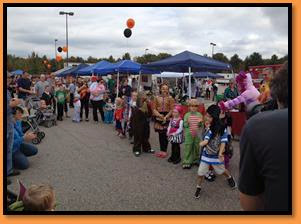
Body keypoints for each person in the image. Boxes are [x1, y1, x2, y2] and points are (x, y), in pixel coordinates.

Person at [239, 62, 289, 211]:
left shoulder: (259, 126)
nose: (264, 75)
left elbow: (250, 203)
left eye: (267, 74)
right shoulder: (261, 88)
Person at [195, 104, 236, 199]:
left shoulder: (222, 127)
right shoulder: (206, 124)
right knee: (200, 172)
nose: (207, 118)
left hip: (216, 155)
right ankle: (198, 187)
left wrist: (221, 153)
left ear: (215, 117)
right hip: (206, 154)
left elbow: (223, 141)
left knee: (222, 171)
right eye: (206, 115)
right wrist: (201, 125)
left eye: (210, 116)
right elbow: (203, 138)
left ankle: (229, 177)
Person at [152, 83, 175, 158]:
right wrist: (159, 115)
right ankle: (162, 150)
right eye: (163, 88)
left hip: (167, 116)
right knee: (160, 134)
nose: (165, 90)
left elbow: (172, 109)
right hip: (159, 116)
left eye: (166, 89)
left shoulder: (171, 98)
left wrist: (166, 116)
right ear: (160, 89)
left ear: (168, 90)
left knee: (166, 134)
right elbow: (154, 109)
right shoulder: (156, 98)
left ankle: (164, 150)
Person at [7, 74, 22, 184]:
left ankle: (8, 170)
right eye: (7, 78)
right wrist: (12, 104)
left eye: (9, 78)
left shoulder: (7, 90)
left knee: (8, 147)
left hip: (8, 121)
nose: (9, 80)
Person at [182, 99, 203, 169]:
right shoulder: (186, 115)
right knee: (188, 147)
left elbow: (201, 126)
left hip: (197, 134)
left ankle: (195, 160)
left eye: (195, 106)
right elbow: (185, 125)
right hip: (189, 134)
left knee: (196, 147)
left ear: (197, 107)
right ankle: (187, 161)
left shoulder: (199, 115)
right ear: (189, 107)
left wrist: (200, 122)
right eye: (192, 106)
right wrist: (187, 122)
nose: (193, 108)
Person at [131, 92, 153, 156]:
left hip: (145, 122)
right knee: (138, 136)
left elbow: (150, 113)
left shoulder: (146, 103)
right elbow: (135, 114)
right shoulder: (134, 104)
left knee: (146, 135)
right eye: (144, 96)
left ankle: (146, 148)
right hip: (137, 122)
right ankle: (136, 149)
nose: (145, 97)